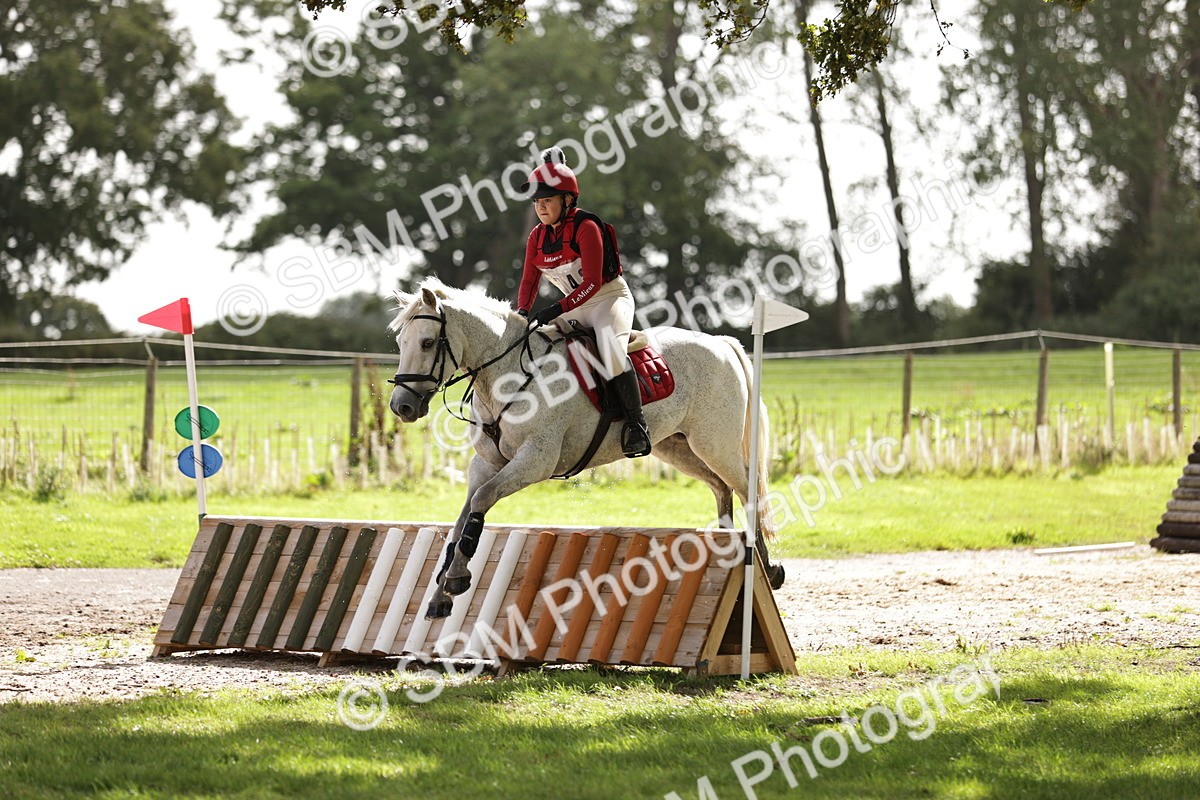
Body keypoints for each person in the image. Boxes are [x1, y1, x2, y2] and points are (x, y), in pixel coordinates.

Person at [515, 146, 651, 458]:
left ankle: (636, 425)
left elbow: (591, 283)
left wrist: (556, 309)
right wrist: (523, 312)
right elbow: (529, 281)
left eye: (547, 199)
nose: (540, 207)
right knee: (534, 344)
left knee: (611, 351)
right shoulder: (537, 237)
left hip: (608, 299)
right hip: (574, 306)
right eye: (537, 201)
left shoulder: (586, 227)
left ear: (567, 200)